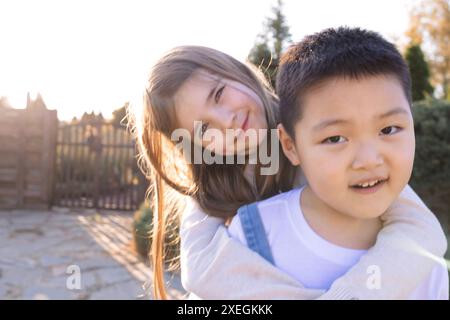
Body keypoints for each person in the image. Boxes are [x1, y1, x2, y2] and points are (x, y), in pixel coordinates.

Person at [127, 44, 447, 300]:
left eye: (219, 94)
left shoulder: (319, 127)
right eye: (204, 127)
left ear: (238, 72)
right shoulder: (213, 187)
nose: (226, 119)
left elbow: (421, 230)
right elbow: (200, 270)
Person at [227, 27, 448, 299]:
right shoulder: (253, 236)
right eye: (335, 138)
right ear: (291, 146)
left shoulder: (426, 266)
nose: (368, 160)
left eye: (389, 130)